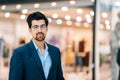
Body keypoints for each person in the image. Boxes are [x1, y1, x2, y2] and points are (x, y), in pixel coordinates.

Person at [9, 11, 64, 80]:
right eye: (35, 27)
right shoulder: (20, 53)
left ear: (46, 29)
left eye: (42, 26)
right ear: (30, 30)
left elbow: (59, 77)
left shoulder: (55, 51)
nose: (39, 30)